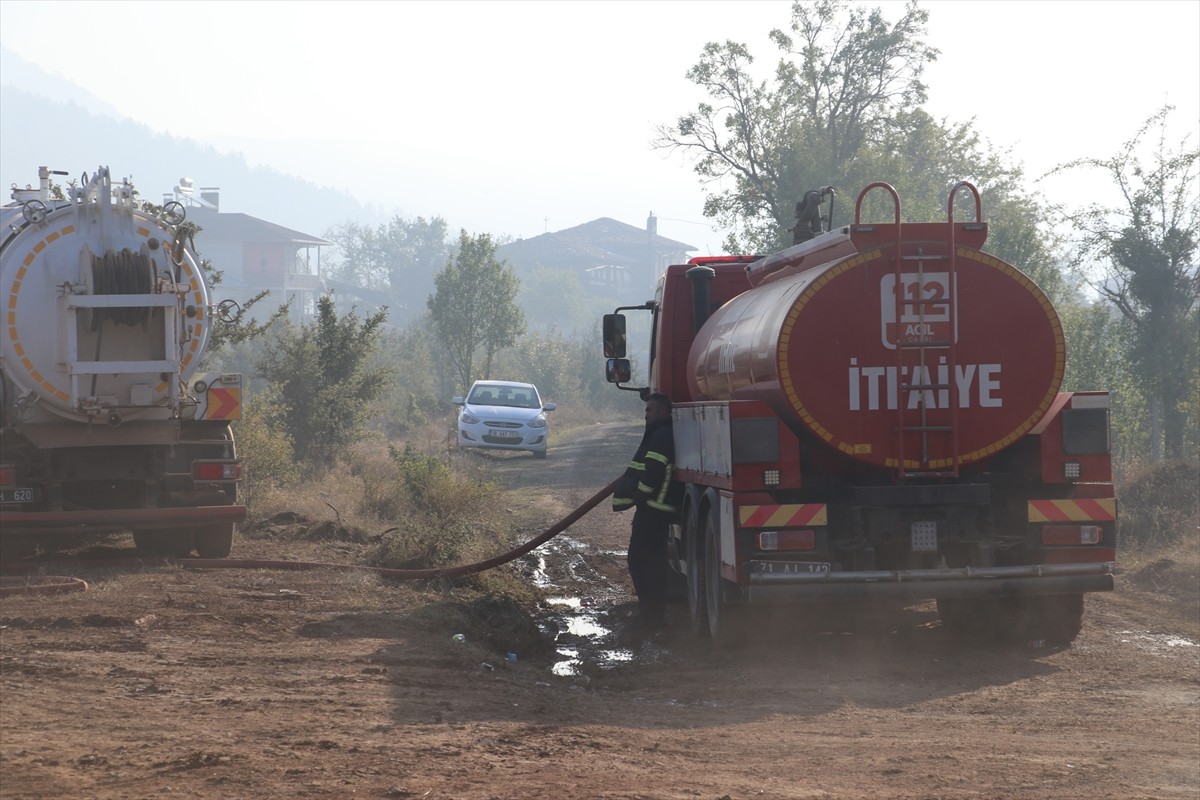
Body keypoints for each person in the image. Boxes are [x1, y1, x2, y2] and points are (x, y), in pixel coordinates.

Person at [613, 392, 682, 629]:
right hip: (655, 509)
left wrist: (640, 497)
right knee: (651, 561)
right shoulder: (661, 433)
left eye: (649, 410)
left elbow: (653, 472)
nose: (645, 415)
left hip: (653, 509)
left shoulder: (661, 435)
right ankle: (653, 612)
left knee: (641, 560)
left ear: (663, 412)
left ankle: (650, 613)